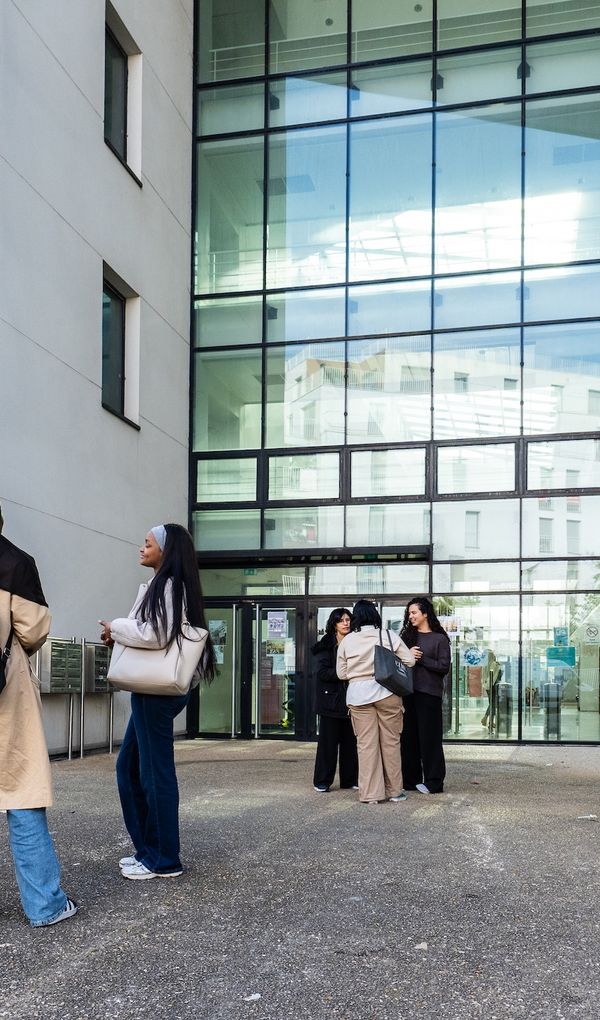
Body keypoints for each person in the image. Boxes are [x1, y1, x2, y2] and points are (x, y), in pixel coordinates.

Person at [100, 523, 216, 880]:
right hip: (152, 691)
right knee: (131, 769)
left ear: (165, 551)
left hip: (155, 693)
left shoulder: (167, 585)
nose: (141, 548)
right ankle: (149, 850)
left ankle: (164, 859)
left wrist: (116, 627)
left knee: (154, 774)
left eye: (147, 543)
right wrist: (118, 636)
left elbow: (157, 633)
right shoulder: (166, 585)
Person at [0, 505, 77, 926]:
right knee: (20, 794)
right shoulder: (14, 562)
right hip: (5, 694)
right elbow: (32, 630)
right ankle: (44, 905)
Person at [337, 599, 415, 804]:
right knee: (391, 742)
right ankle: (395, 792)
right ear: (375, 615)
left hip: (358, 696)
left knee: (366, 745)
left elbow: (341, 673)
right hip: (387, 692)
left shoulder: (347, 641)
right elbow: (410, 661)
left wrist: (359, 672)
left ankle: (371, 794)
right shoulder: (387, 635)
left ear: (356, 617)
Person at [400, 597, 451, 795]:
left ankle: (434, 782)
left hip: (429, 695)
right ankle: (410, 780)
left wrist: (421, 660)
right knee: (408, 739)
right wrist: (406, 654)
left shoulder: (440, 638)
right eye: (409, 613)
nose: (410, 616)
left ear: (425, 613)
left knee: (430, 739)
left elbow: (443, 667)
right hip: (408, 694)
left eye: (414, 612)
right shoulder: (406, 637)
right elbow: (395, 662)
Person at [312, 608, 358, 793]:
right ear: (334, 624)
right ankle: (322, 781)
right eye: (341, 620)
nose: (346, 623)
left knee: (350, 744)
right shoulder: (325, 645)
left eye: (348, 619)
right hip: (330, 700)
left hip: (351, 699)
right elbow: (322, 673)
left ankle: (349, 779)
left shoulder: (355, 643)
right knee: (328, 745)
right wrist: (344, 674)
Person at [481, 650, 503, 730]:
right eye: (493, 654)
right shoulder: (495, 664)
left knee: (492, 703)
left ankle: (489, 721)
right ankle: (487, 718)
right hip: (493, 686)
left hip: (487, 686)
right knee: (493, 704)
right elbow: (497, 676)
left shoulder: (485, 665)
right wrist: (499, 666)